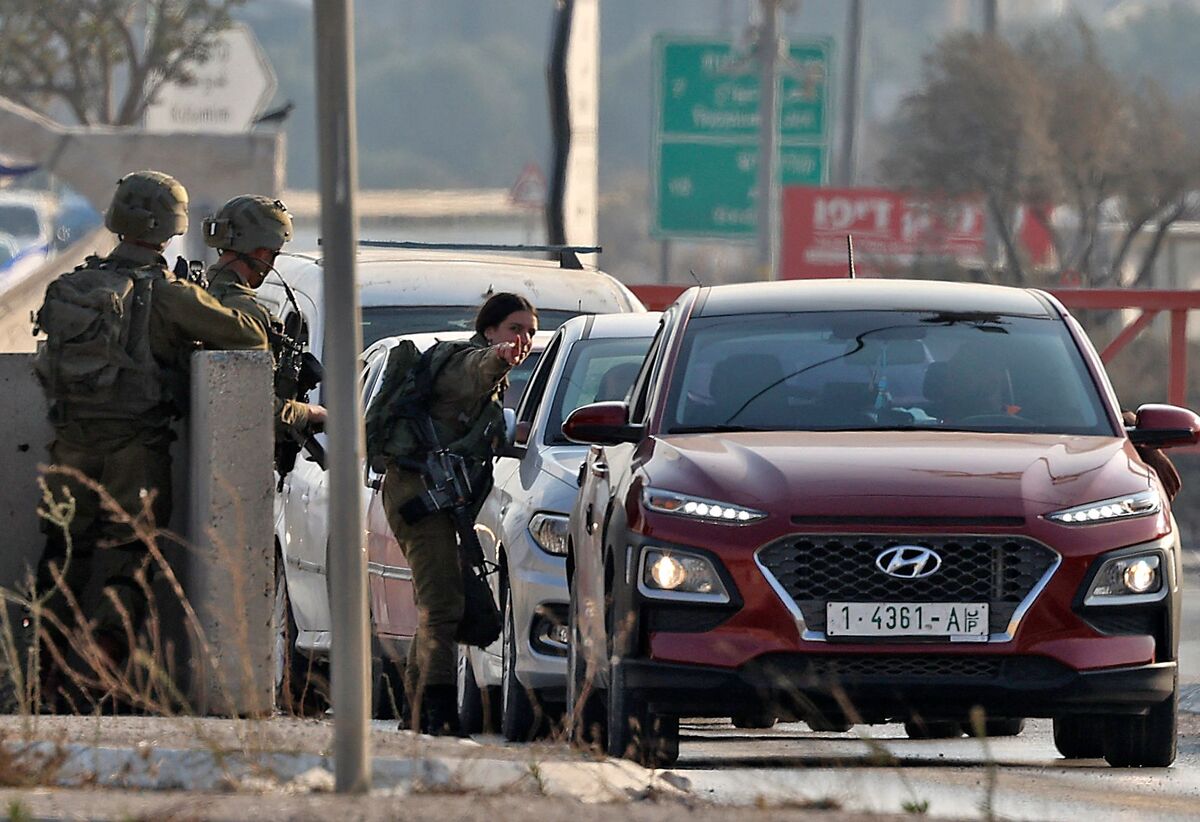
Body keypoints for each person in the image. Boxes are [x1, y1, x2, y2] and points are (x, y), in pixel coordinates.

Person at [31, 170, 269, 710]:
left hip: (68, 446)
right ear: (171, 228)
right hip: (135, 450)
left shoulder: (70, 286)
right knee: (129, 561)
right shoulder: (166, 292)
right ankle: (97, 680)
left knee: (61, 558)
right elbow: (247, 335)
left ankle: (38, 679)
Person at [382, 292, 536, 735]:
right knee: (442, 604)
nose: (523, 339)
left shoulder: (493, 382)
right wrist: (498, 357)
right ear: (490, 331)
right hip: (419, 494)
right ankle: (438, 712)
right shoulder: (465, 364)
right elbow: (476, 369)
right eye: (514, 329)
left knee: (441, 604)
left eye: (529, 331)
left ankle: (416, 711)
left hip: (440, 496)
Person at [202, 195, 327, 458]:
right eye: (274, 253)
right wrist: (309, 413)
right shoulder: (244, 312)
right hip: (228, 457)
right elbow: (254, 407)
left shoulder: (193, 293)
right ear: (260, 252)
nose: (272, 263)